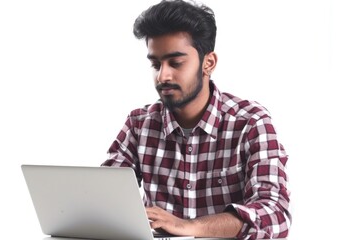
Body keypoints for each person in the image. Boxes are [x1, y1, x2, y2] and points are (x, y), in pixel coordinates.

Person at [101, 0, 291, 239]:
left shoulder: (251, 123)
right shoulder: (139, 124)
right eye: (155, 64)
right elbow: (104, 203)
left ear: (208, 63)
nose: (163, 75)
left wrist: (188, 226)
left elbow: (275, 215)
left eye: (176, 63)